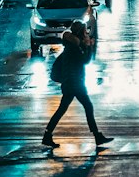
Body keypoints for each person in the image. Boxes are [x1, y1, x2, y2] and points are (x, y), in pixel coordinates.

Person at [42, 19, 114, 152]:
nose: (86, 33)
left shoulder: (72, 45)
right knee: (87, 106)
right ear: (80, 32)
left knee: (62, 110)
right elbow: (85, 61)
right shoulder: (74, 47)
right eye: (85, 31)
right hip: (74, 83)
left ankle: (47, 135)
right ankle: (97, 136)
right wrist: (89, 47)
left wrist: (86, 46)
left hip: (71, 83)